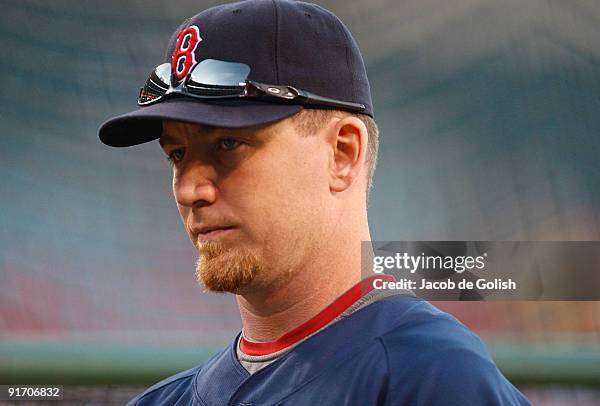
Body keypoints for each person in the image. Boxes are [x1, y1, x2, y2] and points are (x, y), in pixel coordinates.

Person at [99, 1, 531, 404]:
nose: (189, 189)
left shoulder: (431, 377)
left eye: (228, 143)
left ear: (342, 154)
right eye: (177, 154)